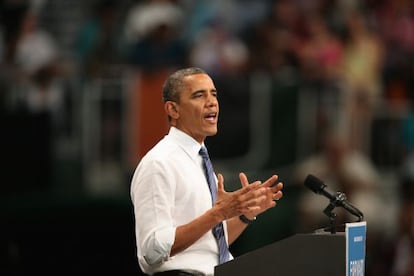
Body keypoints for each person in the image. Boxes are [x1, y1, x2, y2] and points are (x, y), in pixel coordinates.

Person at [130, 67, 284, 275]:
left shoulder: (199, 160)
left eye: (214, 94)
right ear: (173, 110)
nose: (211, 102)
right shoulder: (159, 163)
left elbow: (207, 245)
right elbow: (152, 250)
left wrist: (244, 214)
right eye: (199, 95)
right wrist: (219, 212)